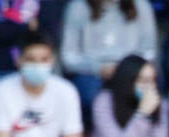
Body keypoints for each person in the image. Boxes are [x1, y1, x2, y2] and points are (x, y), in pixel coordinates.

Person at [0, 32, 85, 137]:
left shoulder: (66, 91)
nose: (38, 65)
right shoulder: (2, 90)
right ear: (18, 60)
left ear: (52, 60)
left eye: (44, 60)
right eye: (31, 60)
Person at [59, 0, 157, 130]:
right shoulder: (78, 7)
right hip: (92, 72)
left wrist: (128, 69)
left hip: (132, 70)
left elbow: (149, 51)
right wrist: (98, 68)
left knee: (152, 89)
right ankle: (95, 136)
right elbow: (69, 57)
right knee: (89, 95)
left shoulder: (141, 5)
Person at [0, 0, 69, 121]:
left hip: (34, 68)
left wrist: (2, 30)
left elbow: (49, 34)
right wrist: (24, 27)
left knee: (51, 106)